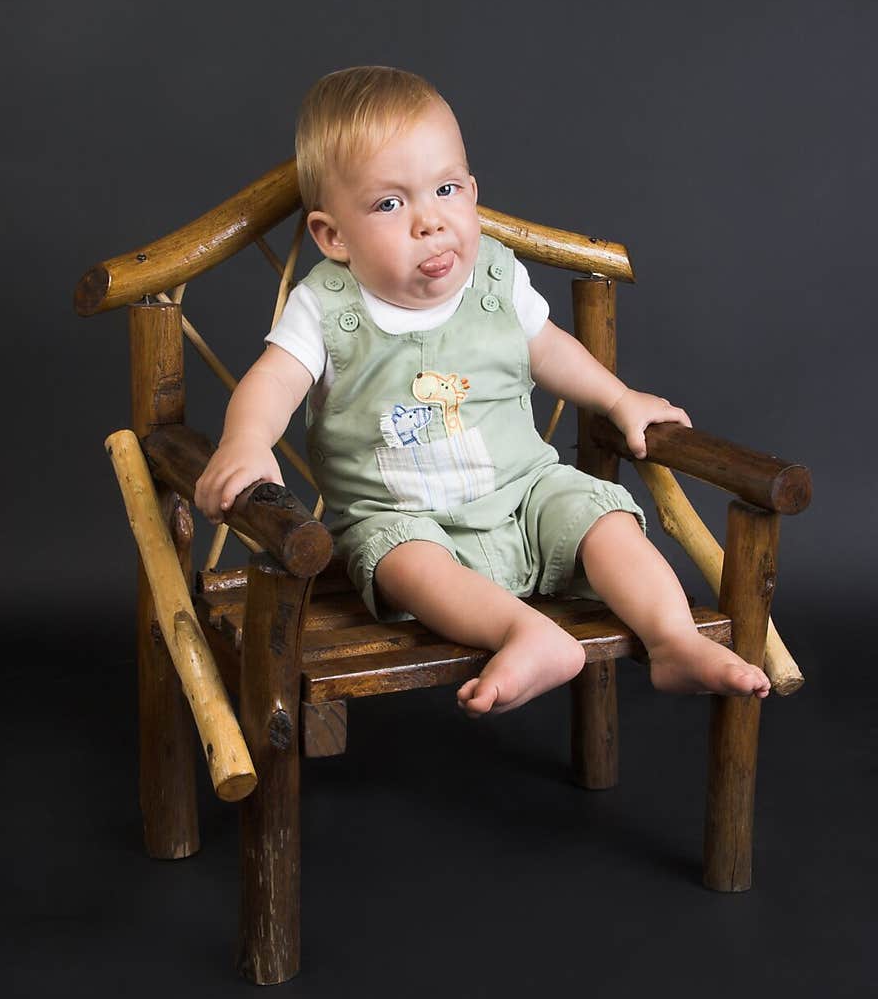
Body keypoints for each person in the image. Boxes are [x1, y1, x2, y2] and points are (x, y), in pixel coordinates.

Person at [194, 66, 771, 715]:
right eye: (390, 203)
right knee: (405, 560)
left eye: (444, 189)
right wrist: (246, 440)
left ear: (471, 191)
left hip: (525, 492)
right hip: (402, 519)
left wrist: (618, 397)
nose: (429, 223)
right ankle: (523, 633)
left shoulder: (494, 275)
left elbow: (548, 345)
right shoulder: (327, 306)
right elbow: (273, 379)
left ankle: (672, 640)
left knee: (603, 518)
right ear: (332, 237)